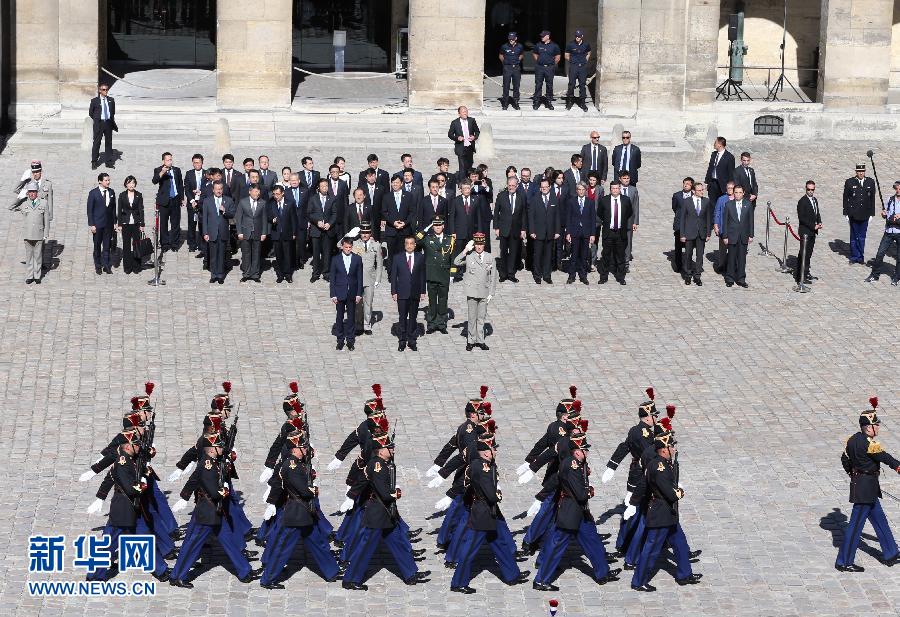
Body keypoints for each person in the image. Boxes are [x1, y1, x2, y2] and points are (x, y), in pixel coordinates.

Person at [341, 430, 430, 590]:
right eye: (390, 447)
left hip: (387, 514)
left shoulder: (380, 464)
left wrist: (351, 494)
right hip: (377, 514)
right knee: (364, 549)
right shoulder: (377, 466)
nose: (393, 450)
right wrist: (396, 492)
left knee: (400, 544)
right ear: (380, 450)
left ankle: (411, 574)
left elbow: (361, 481)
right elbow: (384, 494)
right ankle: (350, 580)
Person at [169, 433, 262, 588]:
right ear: (212, 449)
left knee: (230, 542)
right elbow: (213, 491)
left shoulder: (214, 461)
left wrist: (184, 496)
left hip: (217, 513)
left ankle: (245, 572)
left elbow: (193, 479)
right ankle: (178, 576)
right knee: (192, 546)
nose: (222, 449)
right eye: (219, 447)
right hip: (207, 514)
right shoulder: (207, 465)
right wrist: (224, 490)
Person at [532, 432, 620, 591]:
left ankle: (603, 573)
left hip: (581, 514)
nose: (587, 452)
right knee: (556, 547)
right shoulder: (571, 465)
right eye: (585, 449)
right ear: (577, 451)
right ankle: (541, 580)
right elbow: (580, 493)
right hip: (570, 513)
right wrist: (590, 491)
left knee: (593, 542)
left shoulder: (579, 463)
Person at [258, 429, 342, 588]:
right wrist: (314, 489)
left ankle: (331, 571)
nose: (306, 449)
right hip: (295, 514)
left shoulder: (298, 463)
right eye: (303, 447)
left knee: (319, 543)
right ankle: (267, 579)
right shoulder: (292, 467)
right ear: (294, 449)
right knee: (283, 549)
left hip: (305, 513)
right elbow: (304, 490)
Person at [450, 438, 530, 594]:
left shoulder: (484, 465)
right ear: (486, 452)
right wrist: (497, 494)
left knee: (500, 545)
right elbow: (491, 495)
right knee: (469, 550)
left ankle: (512, 575)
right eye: (493, 448)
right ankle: (458, 583)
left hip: (488, 512)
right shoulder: (482, 468)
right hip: (482, 514)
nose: (495, 451)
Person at [630, 428, 702, 591]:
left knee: (680, 543)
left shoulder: (663, 463)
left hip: (668, 514)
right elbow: (670, 494)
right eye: (671, 446)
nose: (674, 449)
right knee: (651, 550)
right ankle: (639, 581)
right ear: (663, 449)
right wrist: (679, 491)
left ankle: (684, 574)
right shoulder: (659, 467)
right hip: (660, 515)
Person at [835, 398, 900, 572]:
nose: (878, 427)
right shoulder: (869, 444)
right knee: (855, 527)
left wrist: (853, 475)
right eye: (876, 425)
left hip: (865, 487)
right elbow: (884, 457)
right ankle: (844, 561)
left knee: (880, 520)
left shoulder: (852, 440)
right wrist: (898, 467)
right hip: (865, 490)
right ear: (868, 427)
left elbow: (844, 459)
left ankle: (891, 553)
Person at [454, 233, 497, 351]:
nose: (479, 247)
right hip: (472, 291)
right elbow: (456, 262)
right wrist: (465, 250)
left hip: (484, 291)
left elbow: (493, 276)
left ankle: (480, 340)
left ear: (484, 244)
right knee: (472, 317)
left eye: (481, 244)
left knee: (481, 317)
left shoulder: (489, 258)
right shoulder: (469, 256)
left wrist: (491, 293)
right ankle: (471, 340)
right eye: (477, 244)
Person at [416, 217, 453, 334]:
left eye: (439, 225)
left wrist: (452, 274)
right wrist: (426, 228)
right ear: (432, 227)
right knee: (432, 300)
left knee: (443, 300)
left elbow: (452, 258)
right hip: (431, 273)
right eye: (435, 225)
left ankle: (441, 323)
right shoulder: (427, 239)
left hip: (444, 274)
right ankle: (431, 324)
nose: (437, 227)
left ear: (443, 226)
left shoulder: (450, 239)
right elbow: (416, 239)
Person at [391, 236, 426, 351]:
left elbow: (422, 275)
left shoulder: (420, 257)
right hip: (402, 292)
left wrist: (423, 291)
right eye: (407, 243)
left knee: (413, 317)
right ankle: (402, 340)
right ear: (404, 245)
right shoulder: (397, 258)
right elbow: (394, 276)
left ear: (415, 245)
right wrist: (394, 291)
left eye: (412, 243)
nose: (409, 246)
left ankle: (411, 340)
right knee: (402, 317)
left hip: (415, 292)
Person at [328, 237, 364, 351]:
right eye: (346, 247)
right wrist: (333, 294)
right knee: (339, 316)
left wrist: (359, 293)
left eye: (350, 247)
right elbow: (332, 278)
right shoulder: (336, 259)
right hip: (339, 292)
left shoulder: (357, 259)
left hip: (352, 292)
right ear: (342, 247)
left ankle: (350, 340)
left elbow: (360, 277)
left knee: (351, 317)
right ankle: (339, 339)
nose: (348, 249)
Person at [12, 181, 50, 284]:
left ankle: (37, 276)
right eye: (30, 192)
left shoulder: (43, 203)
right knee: (29, 256)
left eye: (34, 192)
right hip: (28, 234)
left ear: (37, 192)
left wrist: (46, 234)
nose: (32, 194)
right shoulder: (24, 203)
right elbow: (11, 207)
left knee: (38, 256)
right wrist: (20, 197)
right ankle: (29, 276)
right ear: (27, 193)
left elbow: (46, 220)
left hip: (39, 234)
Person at [864, 180, 900, 284]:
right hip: (889, 231)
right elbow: (886, 214)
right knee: (880, 254)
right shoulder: (890, 199)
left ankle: (897, 276)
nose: (898, 190)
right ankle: (875, 275)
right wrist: (884, 214)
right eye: (896, 188)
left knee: (899, 256)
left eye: (899, 188)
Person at [598, 181, 633, 285]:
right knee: (606, 255)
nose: (615, 190)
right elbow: (600, 213)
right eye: (613, 188)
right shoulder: (604, 200)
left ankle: (620, 277)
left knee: (620, 256)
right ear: (610, 189)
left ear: (620, 189)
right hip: (608, 232)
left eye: (617, 188)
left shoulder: (625, 200)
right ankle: (603, 277)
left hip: (620, 232)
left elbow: (629, 213)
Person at [493, 176, 527, 283]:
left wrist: (523, 229)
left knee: (513, 252)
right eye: (509, 185)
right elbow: (496, 213)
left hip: (516, 229)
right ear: (507, 185)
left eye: (513, 185)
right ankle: (503, 274)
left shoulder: (522, 196)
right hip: (504, 228)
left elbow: (524, 214)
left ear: (517, 186)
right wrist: (496, 227)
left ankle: (511, 273)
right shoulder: (501, 195)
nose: (511, 187)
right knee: (503, 252)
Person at [352, 222, 383, 335]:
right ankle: (358, 324)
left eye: (367, 232)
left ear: (370, 233)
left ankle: (367, 325)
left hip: (370, 279)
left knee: (368, 303)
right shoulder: (355, 244)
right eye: (363, 232)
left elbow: (379, 264)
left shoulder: (376, 245)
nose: (365, 235)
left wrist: (378, 279)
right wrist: (349, 235)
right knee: (358, 303)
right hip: (357, 279)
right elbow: (338, 245)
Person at [843, 163, 878, 265]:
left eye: (862, 171)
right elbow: (845, 198)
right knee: (854, 237)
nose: (861, 173)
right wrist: (846, 213)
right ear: (856, 172)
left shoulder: (870, 182)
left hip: (865, 214)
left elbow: (872, 199)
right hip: (853, 214)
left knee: (862, 237)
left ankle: (860, 256)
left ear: (865, 171)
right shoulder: (850, 182)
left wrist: (872, 214)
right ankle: (854, 256)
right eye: (859, 171)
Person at [235, 183, 269, 283]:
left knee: (256, 253)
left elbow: (264, 219)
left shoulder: (262, 203)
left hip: (258, 232)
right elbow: (238, 218)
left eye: (258, 191)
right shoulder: (243, 202)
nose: (257, 193)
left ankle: (255, 274)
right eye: (255, 191)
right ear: (250, 192)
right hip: (245, 232)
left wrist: (264, 233)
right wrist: (239, 232)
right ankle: (246, 273)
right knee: (246, 253)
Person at [528, 178, 560, 284]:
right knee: (537, 255)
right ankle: (537, 275)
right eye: (542, 187)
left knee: (548, 255)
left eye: (546, 187)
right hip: (538, 232)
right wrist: (531, 231)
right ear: (540, 188)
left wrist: (557, 231)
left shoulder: (554, 199)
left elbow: (557, 217)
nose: (544, 189)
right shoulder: (534, 199)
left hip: (550, 232)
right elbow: (531, 216)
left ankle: (547, 275)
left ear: (549, 187)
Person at [680, 181, 712, 286]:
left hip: (701, 232)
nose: (702, 192)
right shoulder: (687, 201)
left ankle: (697, 276)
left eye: (702, 190)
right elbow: (682, 219)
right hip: (689, 232)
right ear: (693, 191)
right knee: (688, 254)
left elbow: (708, 218)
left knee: (700, 255)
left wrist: (708, 233)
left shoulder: (706, 201)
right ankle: (688, 275)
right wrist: (682, 234)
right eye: (699, 190)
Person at [382, 175, 416, 275]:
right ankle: (391, 274)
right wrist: (393, 222)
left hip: (404, 230)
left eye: (397, 182)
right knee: (391, 253)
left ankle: (403, 273)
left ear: (401, 183)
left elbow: (412, 212)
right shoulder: (387, 196)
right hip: (391, 230)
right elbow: (384, 212)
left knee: (403, 253)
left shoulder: (409, 196)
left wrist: (405, 223)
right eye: (393, 183)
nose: (395, 184)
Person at [202, 181, 234, 284]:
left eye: (220, 189)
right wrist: (205, 233)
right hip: (211, 232)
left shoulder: (228, 200)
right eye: (217, 189)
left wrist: (225, 211)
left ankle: (220, 275)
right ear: (213, 190)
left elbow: (232, 214)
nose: (219, 191)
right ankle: (213, 274)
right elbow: (205, 218)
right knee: (213, 254)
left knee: (221, 254)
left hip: (223, 232)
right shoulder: (207, 201)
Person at [449, 181, 481, 282]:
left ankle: (471, 273)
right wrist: (453, 231)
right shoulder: (455, 201)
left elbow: (478, 217)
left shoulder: (475, 199)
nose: (467, 190)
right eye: (465, 188)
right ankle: (458, 274)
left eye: (468, 188)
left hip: (471, 232)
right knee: (458, 253)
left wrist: (479, 231)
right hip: (459, 232)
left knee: (471, 253)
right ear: (460, 189)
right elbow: (452, 218)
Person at [722, 185, 753, 288]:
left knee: (742, 258)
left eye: (740, 192)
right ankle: (730, 278)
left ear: (743, 193)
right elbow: (725, 222)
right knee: (731, 257)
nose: (738, 194)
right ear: (733, 193)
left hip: (743, 235)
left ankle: (741, 278)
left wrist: (751, 235)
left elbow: (750, 221)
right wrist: (725, 236)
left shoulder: (748, 205)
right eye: (736, 192)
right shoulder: (729, 205)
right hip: (732, 235)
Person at [151, 152, 184, 252]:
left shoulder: (176, 170)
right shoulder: (158, 170)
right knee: (163, 224)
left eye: (171, 159)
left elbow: (180, 185)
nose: (170, 161)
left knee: (175, 223)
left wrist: (182, 198)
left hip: (175, 200)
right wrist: (162, 172)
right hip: (164, 201)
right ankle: (164, 244)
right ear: (163, 161)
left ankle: (175, 243)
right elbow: (154, 180)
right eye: (168, 160)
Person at [566, 182, 595, 285]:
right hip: (575, 232)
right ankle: (571, 276)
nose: (581, 191)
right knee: (573, 255)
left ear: (585, 190)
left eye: (583, 190)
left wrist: (592, 234)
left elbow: (592, 219)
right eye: (579, 190)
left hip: (586, 232)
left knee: (584, 256)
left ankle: (583, 276)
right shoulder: (571, 201)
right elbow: (568, 218)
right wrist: (568, 232)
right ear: (576, 190)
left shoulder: (590, 202)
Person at [308, 178, 337, 282]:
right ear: (318, 188)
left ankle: (326, 273)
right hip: (316, 230)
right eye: (323, 186)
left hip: (328, 230)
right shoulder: (313, 199)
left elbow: (334, 214)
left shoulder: (332, 199)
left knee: (327, 253)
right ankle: (315, 273)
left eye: (326, 186)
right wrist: (317, 221)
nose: (325, 188)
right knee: (316, 253)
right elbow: (309, 213)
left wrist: (330, 223)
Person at [267, 185, 298, 283]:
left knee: (287, 255)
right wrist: (271, 219)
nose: (276, 196)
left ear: (283, 193)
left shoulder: (290, 203)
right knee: (279, 255)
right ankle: (280, 274)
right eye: (274, 194)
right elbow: (267, 215)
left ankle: (288, 274)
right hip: (276, 233)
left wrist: (294, 232)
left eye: (278, 194)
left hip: (287, 233)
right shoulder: (271, 203)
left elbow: (294, 219)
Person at [87, 173, 116, 275]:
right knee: (97, 246)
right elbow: (90, 210)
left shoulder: (111, 192)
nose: (108, 182)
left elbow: (113, 209)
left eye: (108, 180)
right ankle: (98, 265)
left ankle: (107, 266)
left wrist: (114, 222)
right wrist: (92, 224)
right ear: (100, 181)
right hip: (98, 224)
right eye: (106, 180)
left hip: (108, 224)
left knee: (107, 246)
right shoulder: (93, 193)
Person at [116, 176, 145, 276]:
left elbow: (141, 210)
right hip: (126, 223)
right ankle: (127, 267)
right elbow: (119, 210)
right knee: (126, 246)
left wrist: (142, 224)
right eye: (129, 183)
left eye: (133, 183)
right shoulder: (122, 195)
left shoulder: (139, 195)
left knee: (137, 245)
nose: (131, 185)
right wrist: (119, 224)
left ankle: (137, 266)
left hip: (136, 223)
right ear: (126, 184)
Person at [797, 180, 824, 285]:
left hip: (813, 232)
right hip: (805, 232)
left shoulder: (814, 200)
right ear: (805, 189)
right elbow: (802, 218)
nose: (810, 191)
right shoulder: (802, 201)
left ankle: (806, 272)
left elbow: (817, 212)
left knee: (809, 254)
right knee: (803, 254)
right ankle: (800, 276)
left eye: (812, 189)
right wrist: (813, 226)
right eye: (808, 189)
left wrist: (819, 222)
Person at [88, 83, 117, 169]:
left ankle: (108, 162)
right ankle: (94, 161)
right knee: (96, 143)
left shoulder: (111, 100)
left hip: (108, 123)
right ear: (100, 91)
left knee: (108, 143)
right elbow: (91, 113)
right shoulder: (94, 101)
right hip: (99, 124)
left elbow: (113, 112)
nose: (106, 91)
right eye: (104, 90)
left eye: (107, 89)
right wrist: (97, 119)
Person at [284, 173, 309, 271]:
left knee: (302, 242)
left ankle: (301, 260)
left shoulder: (305, 191)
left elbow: (308, 206)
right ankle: (292, 261)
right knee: (291, 243)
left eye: (296, 180)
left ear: (299, 181)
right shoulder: (286, 192)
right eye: (292, 180)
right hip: (290, 222)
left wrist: (308, 221)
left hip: (302, 221)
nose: (294, 181)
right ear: (289, 181)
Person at [448, 107, 480, 180]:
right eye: (463, 112)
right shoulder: (455, 122)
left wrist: (474, 137)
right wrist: (457, 138)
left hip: (470, 147)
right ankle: (462, 182)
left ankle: (469, 179)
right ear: (459, 113)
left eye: (466, 111)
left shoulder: (472, 120)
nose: (465, 113)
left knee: (469, 165)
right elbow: (450, 134)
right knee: (462, 166)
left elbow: (477, 131)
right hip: (461, 147)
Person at [532, 30, 561, 110]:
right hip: (540, 68)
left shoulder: (554, 46)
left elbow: (558, 56)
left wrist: (552, 64)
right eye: (541, 36)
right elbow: (534, 53)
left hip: (549, 68)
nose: (541, 37)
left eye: (543, 36)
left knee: (549, 85)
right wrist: (538, 61)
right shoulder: (538, 45)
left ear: (548, 36)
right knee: (538, 85)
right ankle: (537, 101)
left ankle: (549, 101)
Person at [564, 29, 591, 111]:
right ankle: (570, 102)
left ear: (582, 36)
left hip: (582, 67)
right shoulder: (570, 45)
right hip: (574, 67)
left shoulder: (586, 44)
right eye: (576, 36)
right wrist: (573, 62)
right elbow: (566, 55)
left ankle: (582, 103)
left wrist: (585, 60)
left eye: (579, 36)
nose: (577, 38)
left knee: (582, 85)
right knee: (571, 84)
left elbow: (589, 53)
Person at [184, 154, 206, 252]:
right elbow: (187, 189)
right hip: (192, 202)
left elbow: (209, 188)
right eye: (195, 162)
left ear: (202, 162)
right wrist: (192, 200)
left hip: (203, 203)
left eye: (199, 162)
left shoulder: (206, 174)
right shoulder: (189, 174)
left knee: (202, 224)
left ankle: (202, 245)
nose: (197, 164)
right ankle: (192, 245)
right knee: (192, 224)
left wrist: (202, 193)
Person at [671, 177, 694, 273]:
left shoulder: (694, 196)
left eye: (688, 184)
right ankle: (678, 265)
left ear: (692, 185)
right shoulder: (677, 195)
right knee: (678, 246)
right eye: (684, 183)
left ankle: (688, 265)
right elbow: (674, 208)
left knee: (689, 246)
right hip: (679, 224)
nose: (685, 185)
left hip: (690, 225)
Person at [712, 181, 735, 275]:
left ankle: (732, 266)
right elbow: (717, 213)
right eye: (728, 188)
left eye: (731, 188)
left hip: (734, 229)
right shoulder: (721, 199)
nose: (729, 190)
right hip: (723, 228)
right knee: (722, 249)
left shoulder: (737, 199)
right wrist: (716, 225)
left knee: (733, 249)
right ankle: (721, 265)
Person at [704, 136, 735, 205]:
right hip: (712, 183)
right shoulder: (713, 154)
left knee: (722, 203)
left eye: (715, 142)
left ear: (720, 144)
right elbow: (710, 168)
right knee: (712, 204)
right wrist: (706, 182)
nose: (714, 144)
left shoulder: (729, 157)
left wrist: (730, 186)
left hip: (723, 184)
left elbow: (731, 173)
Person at [619, 170, 640, 267]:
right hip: (617, 219)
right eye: (624, 178)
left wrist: (635, 222)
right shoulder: (616, 189)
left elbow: (636, 206)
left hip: (629, 220)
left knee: (628, 241)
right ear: (620, 179)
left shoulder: (633, 190)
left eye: (628, 178)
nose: (626, 180)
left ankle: (626, 261)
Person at [499, 32, 524, 110]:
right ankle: (505, 102)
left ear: (515, 38)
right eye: (510, 39)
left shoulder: (520, 46)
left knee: (516, 85)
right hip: (507, 68)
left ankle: (515, 102)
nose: (511, 40)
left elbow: (521, 54)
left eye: (512, 39)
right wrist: (505, 63)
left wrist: (517, 60)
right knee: (506, 85)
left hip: (516, 68)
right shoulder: (504, 46)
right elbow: (501, 55)